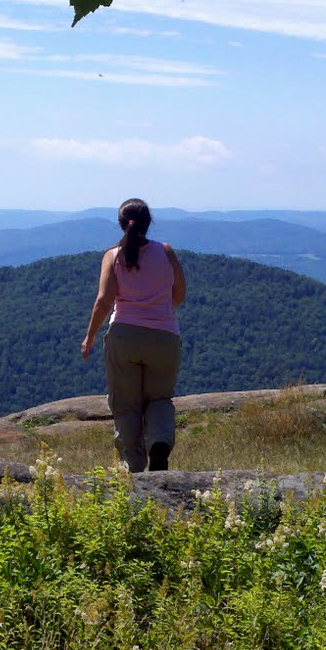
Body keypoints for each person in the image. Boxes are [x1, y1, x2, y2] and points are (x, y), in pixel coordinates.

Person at [81, 199, 187, 472]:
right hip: (165, 337)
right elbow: (179, 295)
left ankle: (134, 468)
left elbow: (104, 300)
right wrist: (158, 309)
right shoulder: (166, 252)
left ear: (120, 223)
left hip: (124, 337)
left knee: (126, 405)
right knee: (159, 399)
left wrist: (90, 337)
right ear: (148, 223)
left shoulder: (112, 256)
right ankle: (159, 443)